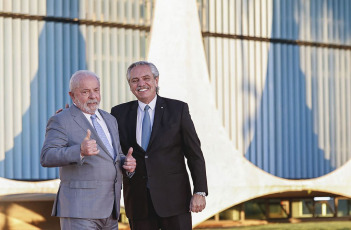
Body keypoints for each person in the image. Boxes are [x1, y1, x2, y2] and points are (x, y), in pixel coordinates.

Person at [111, 61, 208, 230]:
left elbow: (194, 154)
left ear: (156, 80)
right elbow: (112, 150)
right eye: (135, 80)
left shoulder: (178, 109)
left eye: (146, 78)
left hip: (175, 201)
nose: (141, 84)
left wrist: (199, 191)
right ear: (130, 85)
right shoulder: (118, 113)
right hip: (138, 201)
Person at [41, 70, 136, 229]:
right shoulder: (61, 120)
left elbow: (114, 156)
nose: (93, 96)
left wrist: (126, 163)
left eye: (96, 90)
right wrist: (79, 151)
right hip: (79, 211)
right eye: (85, 92)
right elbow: (47, 156)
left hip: (110, 211)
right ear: (72, 95)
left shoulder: (110, 119)